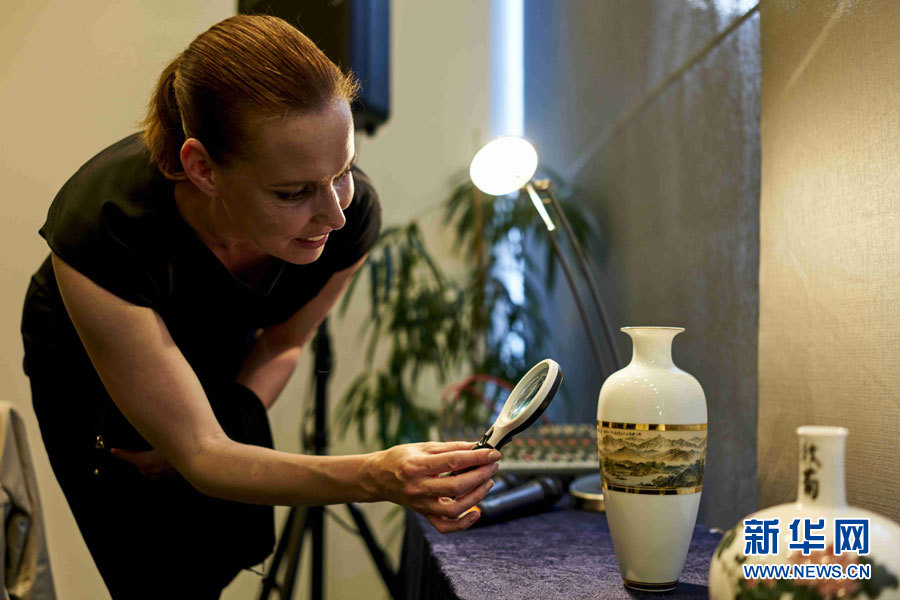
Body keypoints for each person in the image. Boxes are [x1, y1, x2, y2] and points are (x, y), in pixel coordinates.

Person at [20, 14, 499, 599]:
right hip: (93, 360)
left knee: (215, 545)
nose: (334, 215)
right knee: (152, 571)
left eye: (343, 172)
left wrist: (220, 429)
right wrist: (377, 474)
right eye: (293, 192)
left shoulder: (349, 219)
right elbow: (202, 455)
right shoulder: (104, 227)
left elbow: (284, 342)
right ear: (202, 168)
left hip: (220, 350)